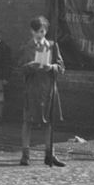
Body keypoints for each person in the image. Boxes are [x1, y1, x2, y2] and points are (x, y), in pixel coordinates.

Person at [18, 15, 66, 167]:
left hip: (48, 88)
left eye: (44, 31)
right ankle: (25, 154)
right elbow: (20, 68)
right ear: (32, 32)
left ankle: (49, 153)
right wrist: (29, 66)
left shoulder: (52, 46)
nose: (41, 35)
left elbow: (61, 67)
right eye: (38, 31)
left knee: (49, 121)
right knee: (28, 121)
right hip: (32, 88)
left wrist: (51, 67)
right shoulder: (26, 47)